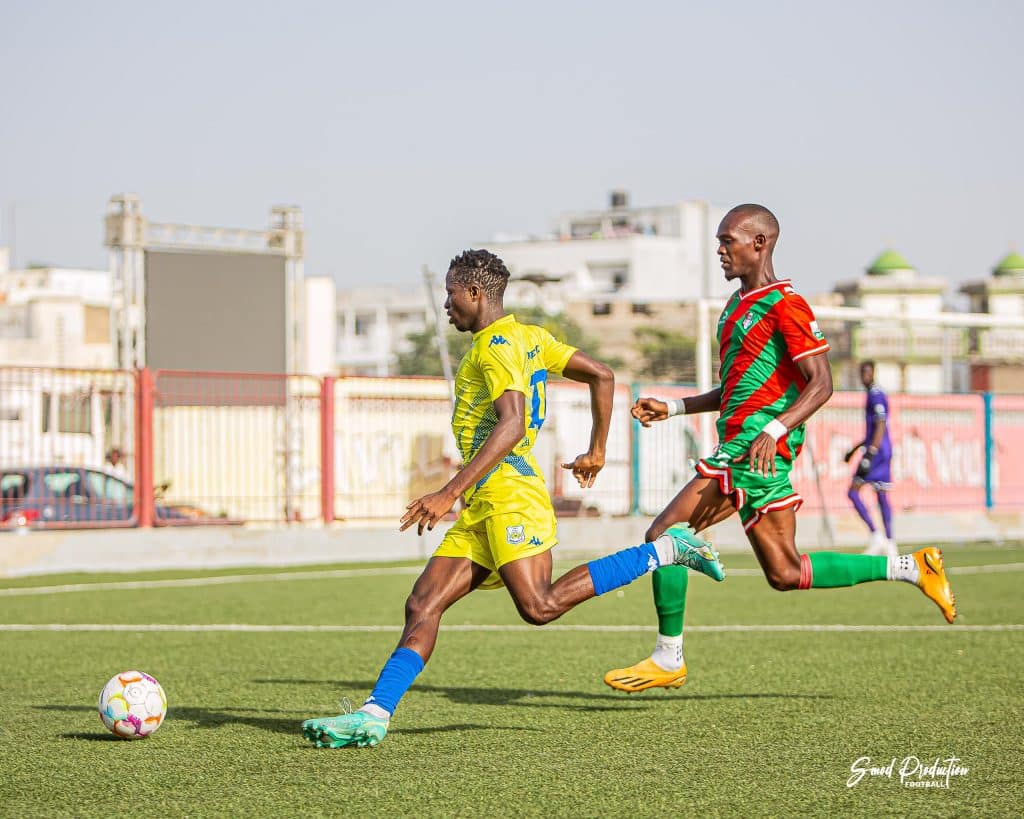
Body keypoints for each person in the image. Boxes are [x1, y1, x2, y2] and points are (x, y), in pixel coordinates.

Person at [301, 249, 725, 748]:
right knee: (422, 603)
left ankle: (667, 551)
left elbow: (514, 423)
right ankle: (374, 714)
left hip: (509, 493)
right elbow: (603, 375)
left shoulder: (495, 346)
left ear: (475, 293)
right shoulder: (530, 337)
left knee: (539, 606)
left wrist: (447, 491)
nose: (446, 303)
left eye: (451, 293)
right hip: (486, 497)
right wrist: (596, 449)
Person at [603, 204, 956, 694]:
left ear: (761, 244)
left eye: (730, 241)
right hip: (746, 449)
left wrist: (774, 428)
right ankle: (912, 567)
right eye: (720, 241)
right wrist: (676, 407)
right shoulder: (734, 307)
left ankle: (669, 657)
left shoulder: (785, 304)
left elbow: (822, 383)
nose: (721, 250)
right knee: (786, 572)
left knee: (666, 533)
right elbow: (731, 388)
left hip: (753, 453)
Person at [844, 361, 896, 558]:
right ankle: (889, 542)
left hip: (878, 453)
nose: (864, 376)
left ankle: (879, 537)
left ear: (873, 373)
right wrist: (855, 450)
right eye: (862, 373)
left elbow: (881, 424)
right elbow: (874, 429)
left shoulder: (875, 395)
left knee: (853, 492)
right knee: (880, 494)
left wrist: (870, 453)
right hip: (881, 450)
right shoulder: (873, 393)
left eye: (867, 372)